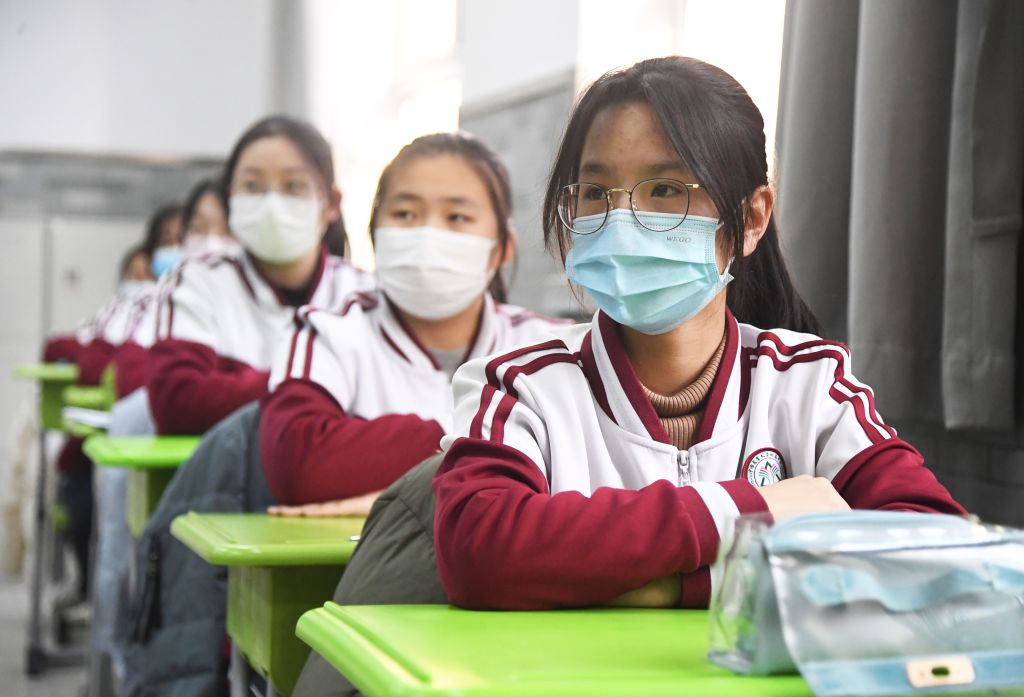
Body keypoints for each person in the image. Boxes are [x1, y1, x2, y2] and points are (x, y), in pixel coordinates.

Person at [432, 57, 966, 611]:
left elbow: (934, 547)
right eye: (595, 193)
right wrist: (753, 510)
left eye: (664, 189)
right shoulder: (521, 385)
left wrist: (675, 586)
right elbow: (478, 549)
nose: (621, 220)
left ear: (752, 219)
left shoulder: (809, 383)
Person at [260, 131, 566, 509]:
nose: (428, 234)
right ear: (375, 234)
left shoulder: (551, 346)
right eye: (404, 214)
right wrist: (484, 441)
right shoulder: (327, 332)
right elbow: (297, 463)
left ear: (501, 248)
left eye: (457, 217)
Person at [144, 115, 373, 436]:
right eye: (252, 186)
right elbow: (178, 402)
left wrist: (235, 379)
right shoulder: (195, 281)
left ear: (331, 203)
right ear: (230, 198)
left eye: (293, 186)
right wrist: (327, 379)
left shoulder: (366, 292)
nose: (271, 204)